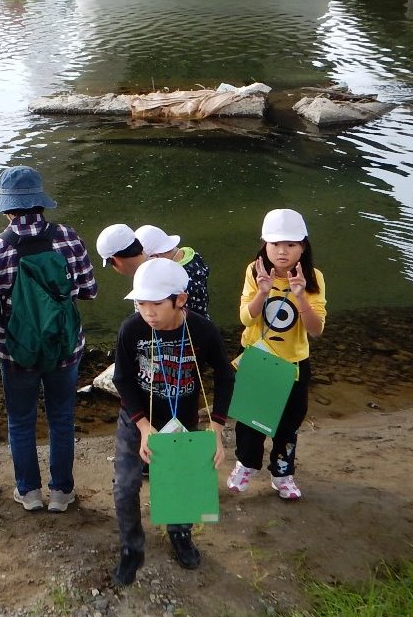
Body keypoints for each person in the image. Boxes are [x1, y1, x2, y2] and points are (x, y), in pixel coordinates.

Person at [0, 166, 98, 513]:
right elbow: (89, 290)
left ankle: (28, 492)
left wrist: (6, 338)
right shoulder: (68, 238)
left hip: (18, 354)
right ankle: (61, 493)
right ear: (40, 203)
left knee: (20, 420)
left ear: (7, 208)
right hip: (65, 348)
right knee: (61, 417)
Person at [110, 258, 233, 586]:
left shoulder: (202, 330)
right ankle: (131, 549)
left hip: (182, 420)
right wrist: (143, 426)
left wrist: (216, 430)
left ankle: (180, 535)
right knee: (125, 486)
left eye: (156, 304)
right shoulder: (132, 329)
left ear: (180, 299)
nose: (147, 312)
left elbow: (225, 376)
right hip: (136, 421)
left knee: (181, 483)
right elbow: (122, 379)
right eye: (141, 303)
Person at [227, 209, 326, 501]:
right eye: (275, 244)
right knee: (249, 421)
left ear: (303, 247)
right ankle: (246, 465)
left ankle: (282, 473)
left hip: (293, 363)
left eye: (291, 245)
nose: (282, 251)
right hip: (258, 360)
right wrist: (262, 291)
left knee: (288, 423)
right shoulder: (254, 271)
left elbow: (316, 329)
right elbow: (246, 318)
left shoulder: (313, 278)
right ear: (264, 245)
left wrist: (300, 296)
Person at [135, 224, 212, 319]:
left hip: (185, 328)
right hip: (203, 318)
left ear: (155, 257)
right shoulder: (193, 256)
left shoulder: (175, 279)